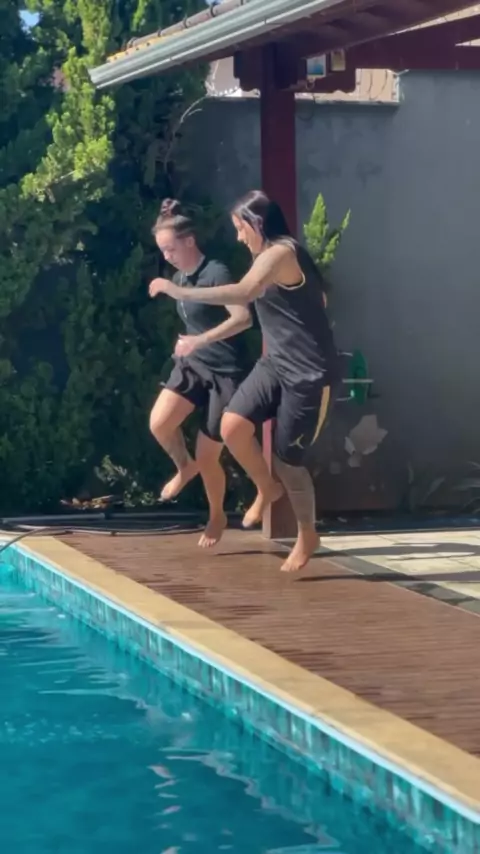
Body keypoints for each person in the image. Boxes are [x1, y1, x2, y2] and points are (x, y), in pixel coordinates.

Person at [149, 190, 340, 573]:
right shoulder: (268, 255)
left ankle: (307, 534)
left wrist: (177, 289)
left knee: (288, 462)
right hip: (275, 365)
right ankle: (266, 488)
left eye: (240, 228)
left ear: (257, 223)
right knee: (232, 426)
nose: (238, 237)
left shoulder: (280, 253)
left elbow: (244, 293)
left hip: (308, 375)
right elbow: (314, 300)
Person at [148, 198, 252, 548]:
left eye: (171, 249)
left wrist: (200, 340)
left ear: (189, 241)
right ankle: (184, 467)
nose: (167, 257)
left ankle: (217, 515)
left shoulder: (216, 273)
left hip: (225, 372)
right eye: (162, 250)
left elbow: (243, 319)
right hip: (193, 365)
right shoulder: (180, 278)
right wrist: (188, 345)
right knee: (159, 423)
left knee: (208, 456)